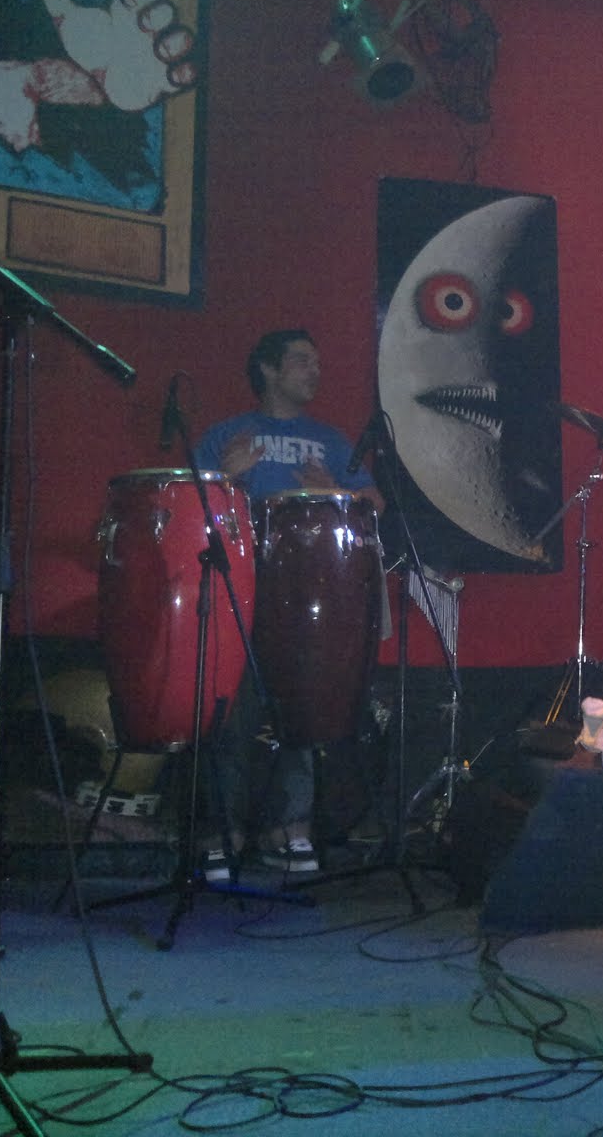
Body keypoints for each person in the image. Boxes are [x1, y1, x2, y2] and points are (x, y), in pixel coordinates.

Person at [193, 328, 379, 879]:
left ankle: (289, 828)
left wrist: (336, 490)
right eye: (302, 361)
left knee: (302, 705)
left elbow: (375, 505)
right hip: (239, 588)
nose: (315, 371)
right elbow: (188, 507)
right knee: (231, 711)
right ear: (268, 370)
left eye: (317, 362)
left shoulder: (330, 441)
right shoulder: (228, 434)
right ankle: (222, 832)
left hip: (309, 595)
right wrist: (225, 478)